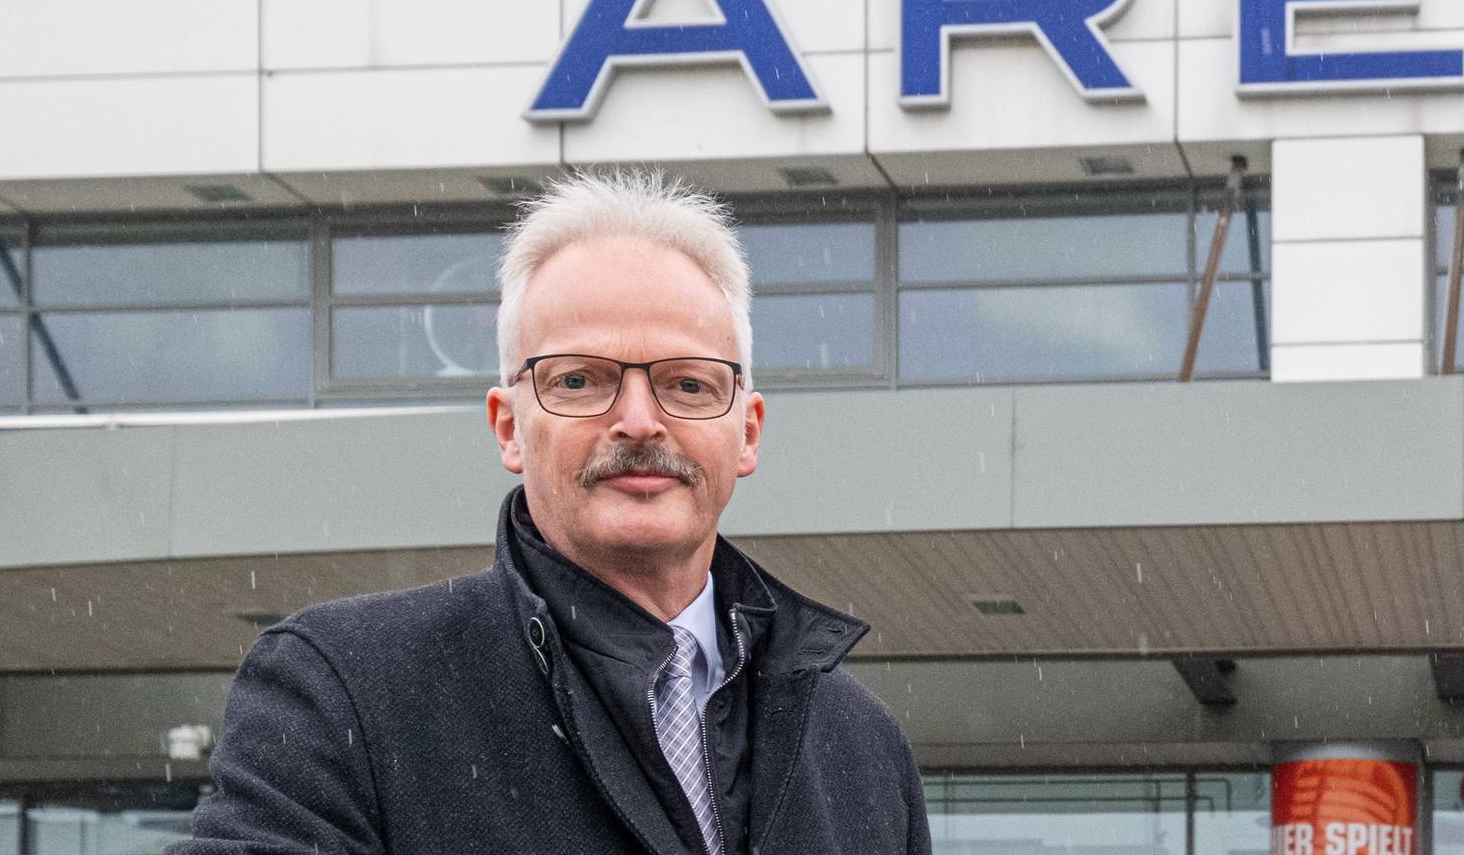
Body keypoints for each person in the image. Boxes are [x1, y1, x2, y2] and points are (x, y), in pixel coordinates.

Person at [182, 170, 931, 854]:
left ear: (748, 432)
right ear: (509, 426)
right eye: (579, 380)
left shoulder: (863, 749)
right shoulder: (346, 690)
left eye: (688, 384)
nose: (639, 421)